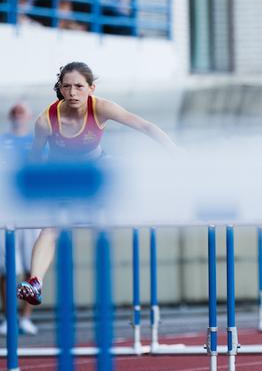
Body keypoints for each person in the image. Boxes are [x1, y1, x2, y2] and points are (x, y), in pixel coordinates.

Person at [16, 62, 177, 307]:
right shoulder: (45, 121)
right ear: (59, 88)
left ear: (91, 88)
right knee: (50, 228)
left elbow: (144, 126)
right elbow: (35, 158)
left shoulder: (101, 107)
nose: (72, 93)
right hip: (63, 176)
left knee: (123, 169)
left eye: (79, 87)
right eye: (67, 87)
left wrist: (174, 151)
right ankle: (35, 282)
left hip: (97, 168)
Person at [0, 102, 40, 335]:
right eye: (14, 113)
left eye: (22, 113)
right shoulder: (2, 142)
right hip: (7, 213)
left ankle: (25, 317)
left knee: (31, 267)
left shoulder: (37, 142)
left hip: (31, 212)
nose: (18, 116)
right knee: (6, 269)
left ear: (29, 117)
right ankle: (9, 318)